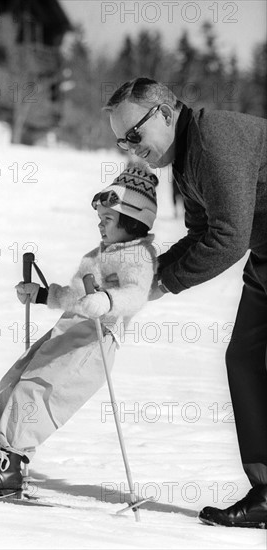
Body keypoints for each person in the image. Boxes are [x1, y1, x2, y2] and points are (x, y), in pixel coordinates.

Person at [105, 77, 267, 529]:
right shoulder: (187, 158)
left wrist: (162, 285)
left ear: (165, 111)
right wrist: (144, 275)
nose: (130, 149)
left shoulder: (215, 140)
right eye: (121, 141)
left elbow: (228, 238)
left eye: (134, 135)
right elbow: (201, 234)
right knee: (245, 359)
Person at [0, 167, 157, 493]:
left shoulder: (137, 257)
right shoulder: (98, 254)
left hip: (95, 341)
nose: (100, 224)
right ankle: (5, 458)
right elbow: (76, 295)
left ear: (131, 221)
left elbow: (134, 295)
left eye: (108, 219)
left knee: (37, 391)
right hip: (69, 330)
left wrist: (107, 301)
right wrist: (42, 295)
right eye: (100, 218)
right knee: (13, 381)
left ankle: (11, 465)